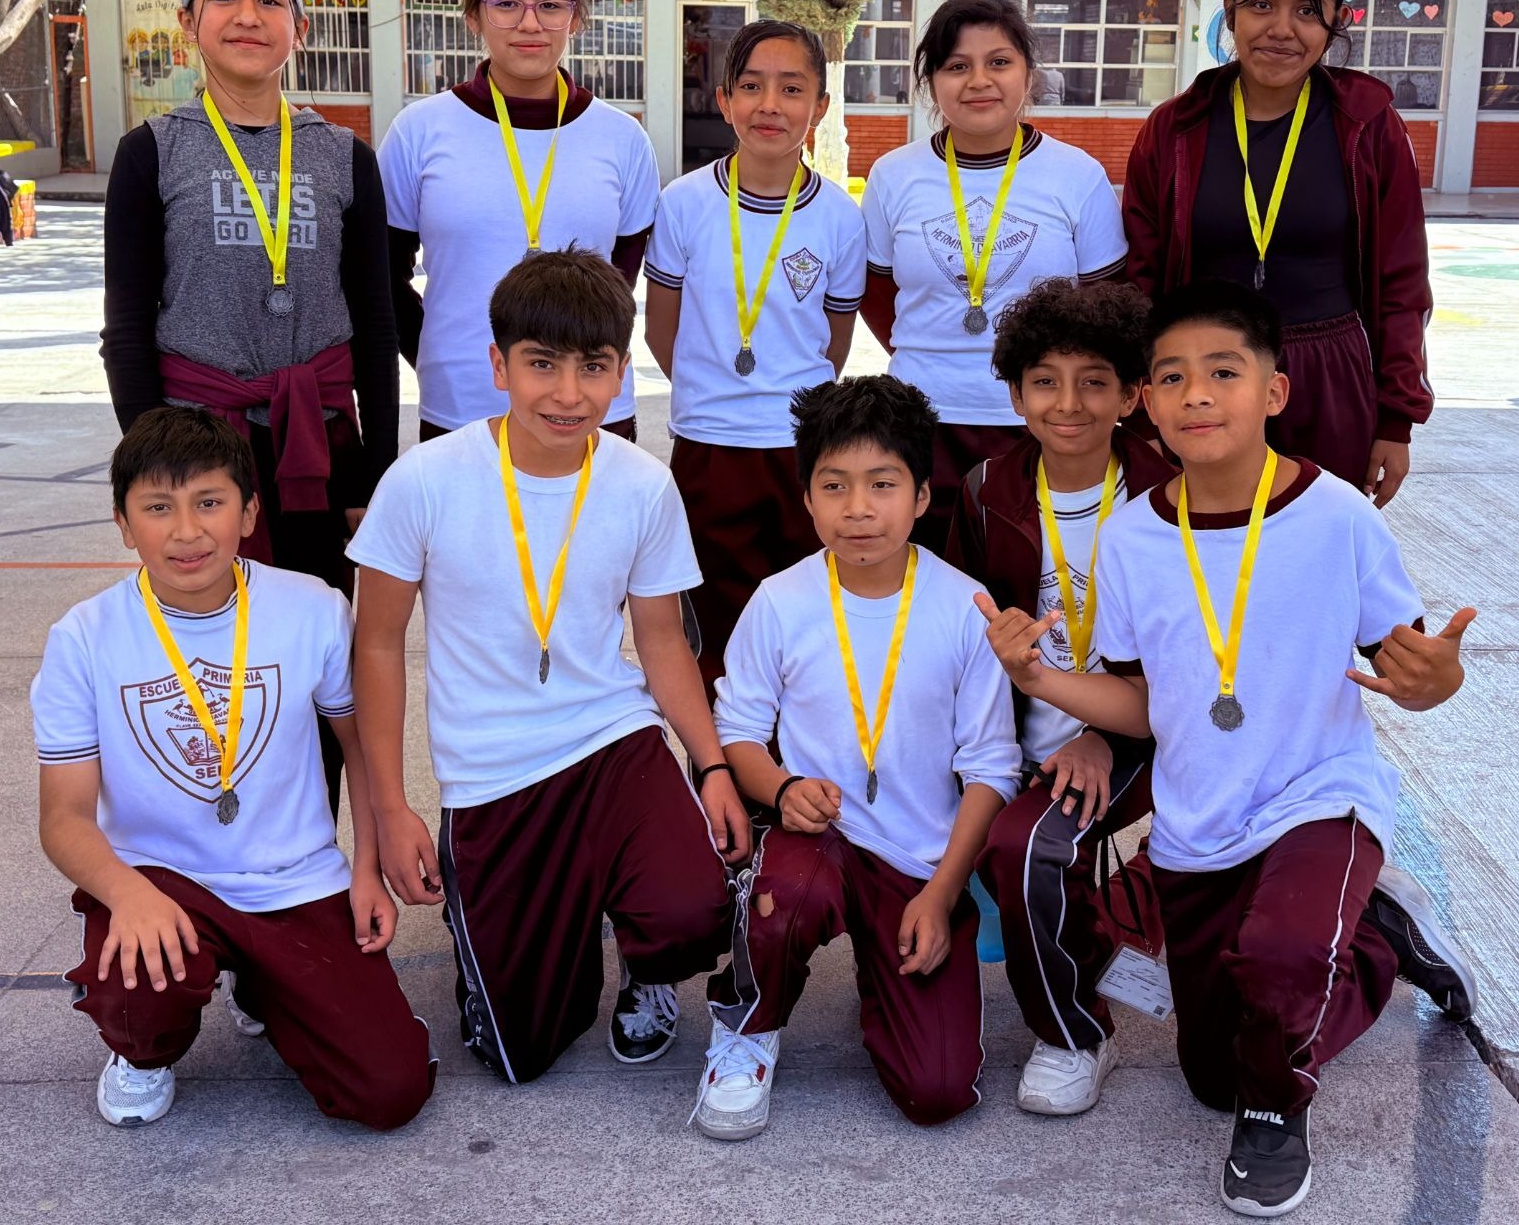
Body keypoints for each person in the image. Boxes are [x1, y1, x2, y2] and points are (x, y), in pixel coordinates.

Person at [977, 281, 1479, 1218]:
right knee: (1214, 1070)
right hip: (1200, 822)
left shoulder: (1338, 517)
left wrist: (1434, 679)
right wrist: (1039, 678)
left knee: (1279, 972)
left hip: (1319, 796)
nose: (1197, 394)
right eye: (1172, 377)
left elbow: (1407, 662)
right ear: (1148, 401)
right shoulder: (1133, 538)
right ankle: (1378, 940)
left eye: (1223, 372)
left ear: (1274, 392)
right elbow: (1139, 703)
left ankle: (1275, 1116)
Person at [348, 247, 746, 1084]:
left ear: (620, 374)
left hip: (609, 740)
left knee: (693, 907)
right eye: (542, 365)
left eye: (593, 367)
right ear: (498, 366)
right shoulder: (422, 482)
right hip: (491, 770)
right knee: (517, 1052)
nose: (568, 394)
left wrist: (711, 764)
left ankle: (644, 963)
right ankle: (515, 919)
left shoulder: (643, 484)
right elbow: (376, 644)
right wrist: (389, 809)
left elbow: (662, 641)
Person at [33, 408, 434, 1131]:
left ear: (249, 513)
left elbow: (363, 751)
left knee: (389, 1091)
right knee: (141, 988)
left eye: (209, 502)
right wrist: (127, 894)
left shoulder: (312, 607)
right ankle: (141, 1056)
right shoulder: (83, 639)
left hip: (292, 877)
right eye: (158, 508)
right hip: (163, 878)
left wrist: (366, 870)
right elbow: (63, 818)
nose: (187, 531)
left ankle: (265, 985)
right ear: (123, 524)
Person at [101, 0, 398, 816]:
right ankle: (210, 845)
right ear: (189, 21)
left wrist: (373, 473)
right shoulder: (153, 151)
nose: (247, 15)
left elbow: (376, 322)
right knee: (207, 664)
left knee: (316, 662)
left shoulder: (343, 155)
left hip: (317, 448)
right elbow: (127, 326)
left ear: (299, 29)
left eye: (271, 0)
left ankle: (311, 844)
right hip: (200, 444)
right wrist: (154, 474)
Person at [694, 375, 1021, 1140]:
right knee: (784, 898)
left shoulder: (964, 605)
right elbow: (737, 730)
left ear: (922, 496)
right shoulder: (780, 600)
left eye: (882, 484)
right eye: (834, 485)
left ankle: (887, 980)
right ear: (807, 500)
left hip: (919, 863)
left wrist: (943, 894)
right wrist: (781, 789)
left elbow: (992, 768)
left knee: (938, 1091)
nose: (859, 508)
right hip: (822, 841)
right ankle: (747, 1025)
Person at [948, 276, 1171, 1117]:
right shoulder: (985, 491)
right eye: (1044, 381)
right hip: (1022, 732)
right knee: (974, 832)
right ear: (1014, 394)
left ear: (1131, 395)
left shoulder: (1170, 493)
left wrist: (1102, 736)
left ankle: (1074, 1033)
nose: (1068, 403)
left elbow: (1190, 659)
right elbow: (965, 638)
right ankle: (1100, 946)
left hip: (1141, 732)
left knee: (1025, 846)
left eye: (1094, 382)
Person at [1122, 0, 1433, 506]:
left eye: (1307, 11)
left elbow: (1402, 283)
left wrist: (1397, 419)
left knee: (1315, 545)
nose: (1282, 29)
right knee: (1203, 544)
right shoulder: (1175, 128)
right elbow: (1139, 280)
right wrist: (1145, 405)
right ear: (1231, 9)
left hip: (1327, 379)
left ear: (1337, 19)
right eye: (1262, 5)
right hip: (1201, 380)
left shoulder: (1368, 125)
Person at [860, 0, 1129, 552]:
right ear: (931, 81)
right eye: (957, 66)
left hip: (1041, 423)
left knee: (1033, 580)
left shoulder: (1077, 175)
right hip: (921, 421)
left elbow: (1104, 306)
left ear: (1028, 74)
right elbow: (879, 293)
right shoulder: (893, 175)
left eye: (999, 62)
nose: (979, 81)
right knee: (928, 579)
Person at [644, 19, 867, 694]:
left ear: (819, 107)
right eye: (751, 86)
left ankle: (793, 754)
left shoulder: (839, 217)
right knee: (716, 631)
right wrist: (714, 392)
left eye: (791, 89)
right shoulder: (682, 204)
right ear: (724, 100)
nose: (770, 105)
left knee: (802, 626)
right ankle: (720, 753)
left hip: (802, 451)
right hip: (709, 447)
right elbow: (662, 332)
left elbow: (834, 340)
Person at [379, 0, 660, 442]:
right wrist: (439, 356)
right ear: (474, 15)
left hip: (589, 414)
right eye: (506, 4)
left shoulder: (622, 139)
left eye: (550, 5)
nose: (530, 23)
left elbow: (620, 284)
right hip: (462, 409)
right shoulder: (419, 132)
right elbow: (385, 278)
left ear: (575, 17)